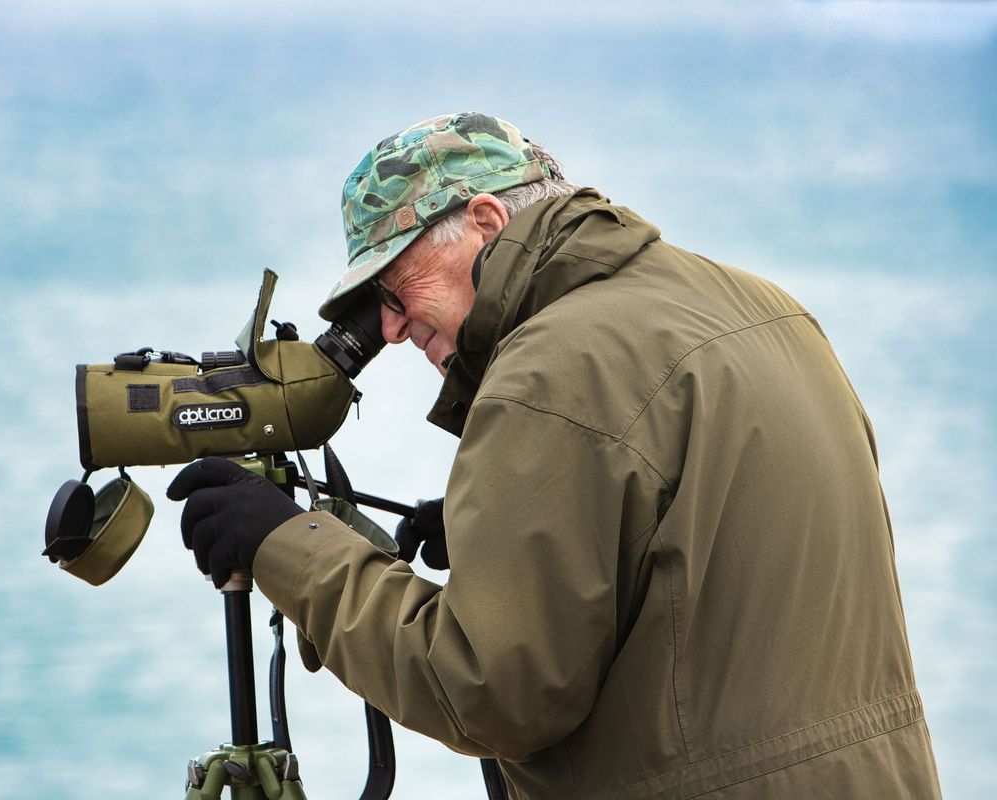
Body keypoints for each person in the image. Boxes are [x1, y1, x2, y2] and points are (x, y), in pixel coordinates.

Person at [167, 113, 942, 798]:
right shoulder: (767, 309)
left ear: (485, 218)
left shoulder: (551, 369)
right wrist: (518, 533)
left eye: (398, 290)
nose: (393, 331)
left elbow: (490, 693)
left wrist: (285, 546)